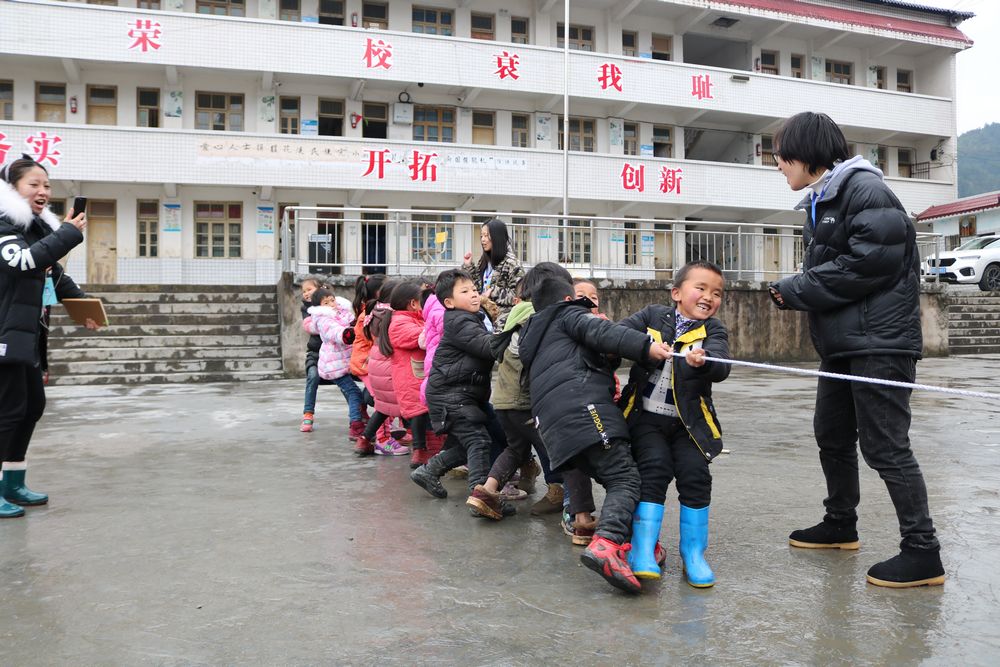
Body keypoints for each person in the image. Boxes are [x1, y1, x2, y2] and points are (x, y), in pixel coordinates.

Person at [768, 111, 944, 589]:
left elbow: (870, 263)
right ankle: (840, 524)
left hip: (879, 345)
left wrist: (796, 288)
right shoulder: (823, 198)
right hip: (844, 346)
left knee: (885, 446)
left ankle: (923, 551)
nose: (778, 165)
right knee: (832, 435)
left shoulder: (865, 190)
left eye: (780, 155)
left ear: (805, 153)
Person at [518, 276, 672, 594]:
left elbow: (588, 352)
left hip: (552, 428)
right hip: (583, 410)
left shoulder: (535, 334)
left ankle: (632, 542)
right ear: (567, 298)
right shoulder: (569, 315)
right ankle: (607, 544)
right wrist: (647, 347)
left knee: (615, 478)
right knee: (625, 478)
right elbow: (604, 332)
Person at [617, 261, 730, 587]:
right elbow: (619, 335)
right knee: (653, 470)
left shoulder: (713, 331)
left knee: (696, 477)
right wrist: (645, 348)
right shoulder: (652, 316)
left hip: (689, 425)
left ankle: (693, 554)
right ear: (677, 293)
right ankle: (642, 550)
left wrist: (704, 361)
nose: (709, 297)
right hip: (646, 420)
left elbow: (722, 365)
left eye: (717, 293)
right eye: (701, 288)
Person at [0, 155, 90, 517]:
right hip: (4, 334)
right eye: (34, 184)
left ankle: (13, 482)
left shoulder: (36, 230)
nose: (43, 191)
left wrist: (83, 305)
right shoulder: (4, 225)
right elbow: (21, 263)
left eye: (47, 185)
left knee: (31, 407)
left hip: (26, 336)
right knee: (7, 411)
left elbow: (51, 274)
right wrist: (67, 234)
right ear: (11, 189)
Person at [411, 270, 500, 513]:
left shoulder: (470, 317)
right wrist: (511, 336)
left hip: (458, 394)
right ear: (449, 302)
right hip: (451, 396)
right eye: (465, 291)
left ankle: (429, 471)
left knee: (468, 444)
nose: (474, 294)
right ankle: (480, 497)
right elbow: (487, 346)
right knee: (478, 441)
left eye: (474, 289)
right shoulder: (459, 321)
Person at [303, 289, 365, 438]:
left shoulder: (341, 312)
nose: (331, 304)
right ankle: (355, 425)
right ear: (319, 306)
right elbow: (335, 332)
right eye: (326, 302)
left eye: (332, 300)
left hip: (347, 361)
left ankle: (362, 418)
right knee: (354, 392)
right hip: (334, 366)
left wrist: (358, 323)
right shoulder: (322, 319)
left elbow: (352, 321)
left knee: (363, 390)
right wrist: (348, 334)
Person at [355, 280, 408, 456]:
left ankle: (367, 440)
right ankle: (383, 441)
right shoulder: (389, 316)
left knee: (384, 406)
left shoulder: (376, 312)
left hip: (376, 363)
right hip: (382, 365)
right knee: (385, 406)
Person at [383, 281, 430, 456]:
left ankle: (424, 450)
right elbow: (423, 337)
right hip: (410, 377)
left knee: (422, 412)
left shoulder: (412, 318)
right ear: (413, 303)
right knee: (417, 411)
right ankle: (419, 451)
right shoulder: (400, 323)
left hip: (415, 375)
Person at [462, 218, 525, 328]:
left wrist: (493, 292)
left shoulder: (512, 263)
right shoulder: (484, 261)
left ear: (497, 237)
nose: (483, 240)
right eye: (481, 236)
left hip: (502, 315)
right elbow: (477, 287)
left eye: (486, 236)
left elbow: (520, 295)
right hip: (483, 309)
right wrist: (468, 266)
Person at [298, 276, 325, 433]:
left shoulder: (332, 303)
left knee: (347, 382)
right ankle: (308, 414)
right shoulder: (306, 309)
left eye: (309, 289)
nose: (306, 293)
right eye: (304, 291)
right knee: (313, 376)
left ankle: (358, 414)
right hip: (315, 353)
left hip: (334, 355)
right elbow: (312, 327)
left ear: (320, 289)